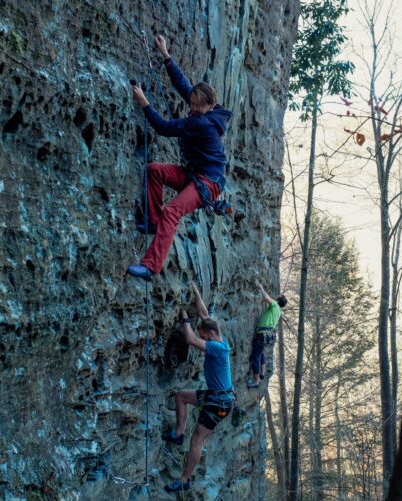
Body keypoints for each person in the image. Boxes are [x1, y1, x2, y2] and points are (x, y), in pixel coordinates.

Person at [126, 35, 231, 281]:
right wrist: (166, 55)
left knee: (172, 211)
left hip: (208, 183)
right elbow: (185, 86)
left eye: (197, 105)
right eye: (191, 103)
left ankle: (150, 266)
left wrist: (144, 103)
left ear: (210, 106)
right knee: (154, 170)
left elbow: (163, 127)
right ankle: (152, 222)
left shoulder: (202, 123)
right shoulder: (209, 110)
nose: (192, 107)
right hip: (196, 175)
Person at [162, 285, 233, 493]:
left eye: (204, 335)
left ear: (210, 334)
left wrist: (184, 318)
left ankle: (184, 480)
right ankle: (178, 433)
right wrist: (196, 292)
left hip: (219, 402)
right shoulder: (219, 337)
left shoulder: (217, 347)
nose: (203, 338)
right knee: (181, 396)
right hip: (216, 397)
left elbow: (191, 339)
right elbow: (204, 314)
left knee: (198, 439)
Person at [247, 280, 287, 388]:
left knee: (255, 357)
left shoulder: (274, 305)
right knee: (261, 353)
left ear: (277, 300)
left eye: (277, 297)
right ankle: (263, 372)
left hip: (262, 334)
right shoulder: (278, 311)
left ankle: (256, 381)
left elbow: (266, 298)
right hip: (267, 335)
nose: (275, 297)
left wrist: (260, 287)